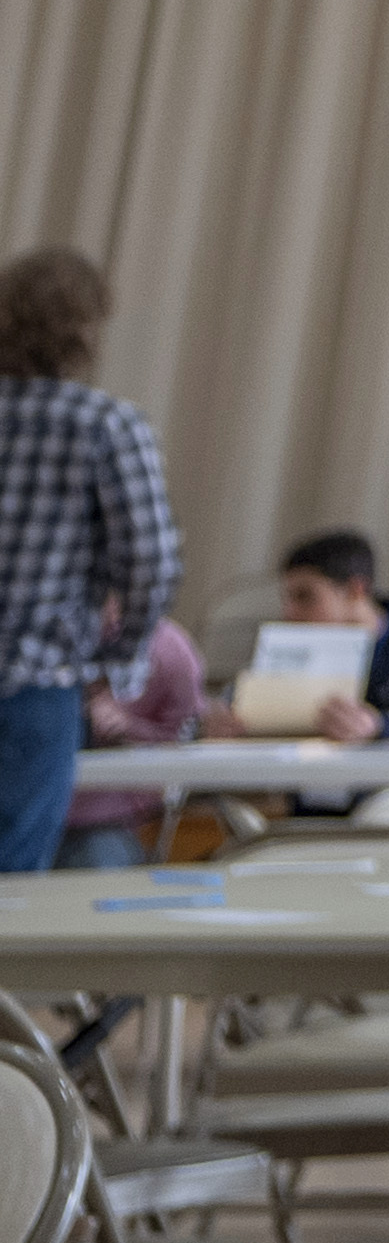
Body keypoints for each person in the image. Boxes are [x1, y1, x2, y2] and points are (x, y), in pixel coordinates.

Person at [0, 248, 177, 874]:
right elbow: (149, 562)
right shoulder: (105, 423)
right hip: (37, 680)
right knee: (12, 882)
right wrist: (120, 660)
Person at [272, 532, 389, 740]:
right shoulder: (292, 638)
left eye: (305, 597)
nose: (289, 613)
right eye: (286, 599)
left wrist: (380, 726)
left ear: (355, 590)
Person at [62, 615, 203, 869]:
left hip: (113, 822)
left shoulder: (169, 649)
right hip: (29, 810)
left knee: (97, 864)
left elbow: (184, 739)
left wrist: (129, 729)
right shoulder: (34, 643)